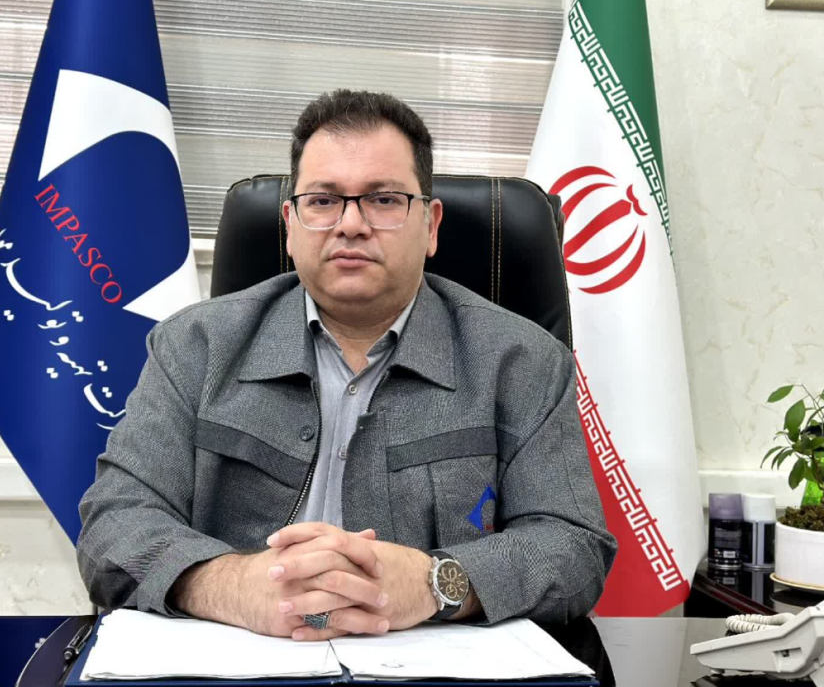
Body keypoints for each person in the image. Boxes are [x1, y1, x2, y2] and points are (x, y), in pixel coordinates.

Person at [76, 89, 617, 641]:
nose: (351, 224)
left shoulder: (521, 361)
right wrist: (232, 585)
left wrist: (436, 582)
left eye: (384, 199)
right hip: (243, 662)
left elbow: (573, 547)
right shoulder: (194, 346)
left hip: (429, 669)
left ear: (430, 226)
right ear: (290, 224)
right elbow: (114, 524)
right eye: (323, 200)